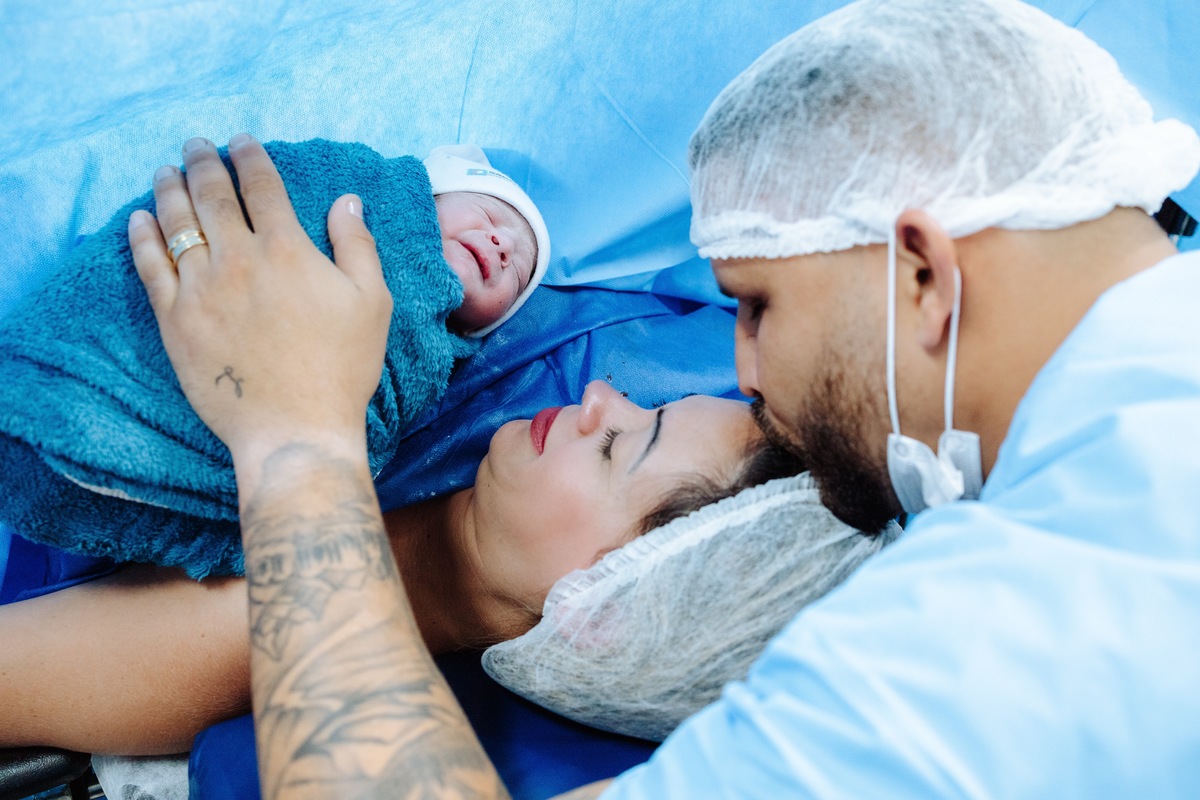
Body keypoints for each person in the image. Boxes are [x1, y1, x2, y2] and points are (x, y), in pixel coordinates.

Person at [121, 0, 1200, 796]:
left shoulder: (1018, 621)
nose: (745, 372)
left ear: (919, 268)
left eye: (756, 302)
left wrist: (298, 435)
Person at [0, 139, 550, 579]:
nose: (501, 245)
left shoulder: (428, 360)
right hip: (80, 364)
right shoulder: (369, 194)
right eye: (488, 215)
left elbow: (371, 426)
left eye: (518, 270)